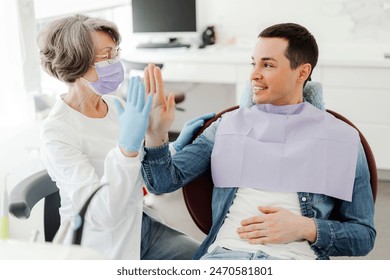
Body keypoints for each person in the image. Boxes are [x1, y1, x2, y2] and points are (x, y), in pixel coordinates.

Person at [141, 23, 376, 260]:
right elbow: (161, 184)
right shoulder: (225, 127)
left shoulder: (342, 139)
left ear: (302, 72)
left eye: (268, 65)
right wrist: (156, 134)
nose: (254, 74)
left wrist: (306, 228)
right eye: (254, 63)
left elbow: (363, 236)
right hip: (225, 258)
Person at [38, 14, 210, 260]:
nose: (115, 63)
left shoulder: (113, 105)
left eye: (115, 53)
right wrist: (126, 149)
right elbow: (101, 213)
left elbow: (139, 172)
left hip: (139, 225)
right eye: (106, 55)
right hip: (102, 244)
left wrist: (161, 139)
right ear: (77, 61)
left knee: (208, 259)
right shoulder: (57, 131)